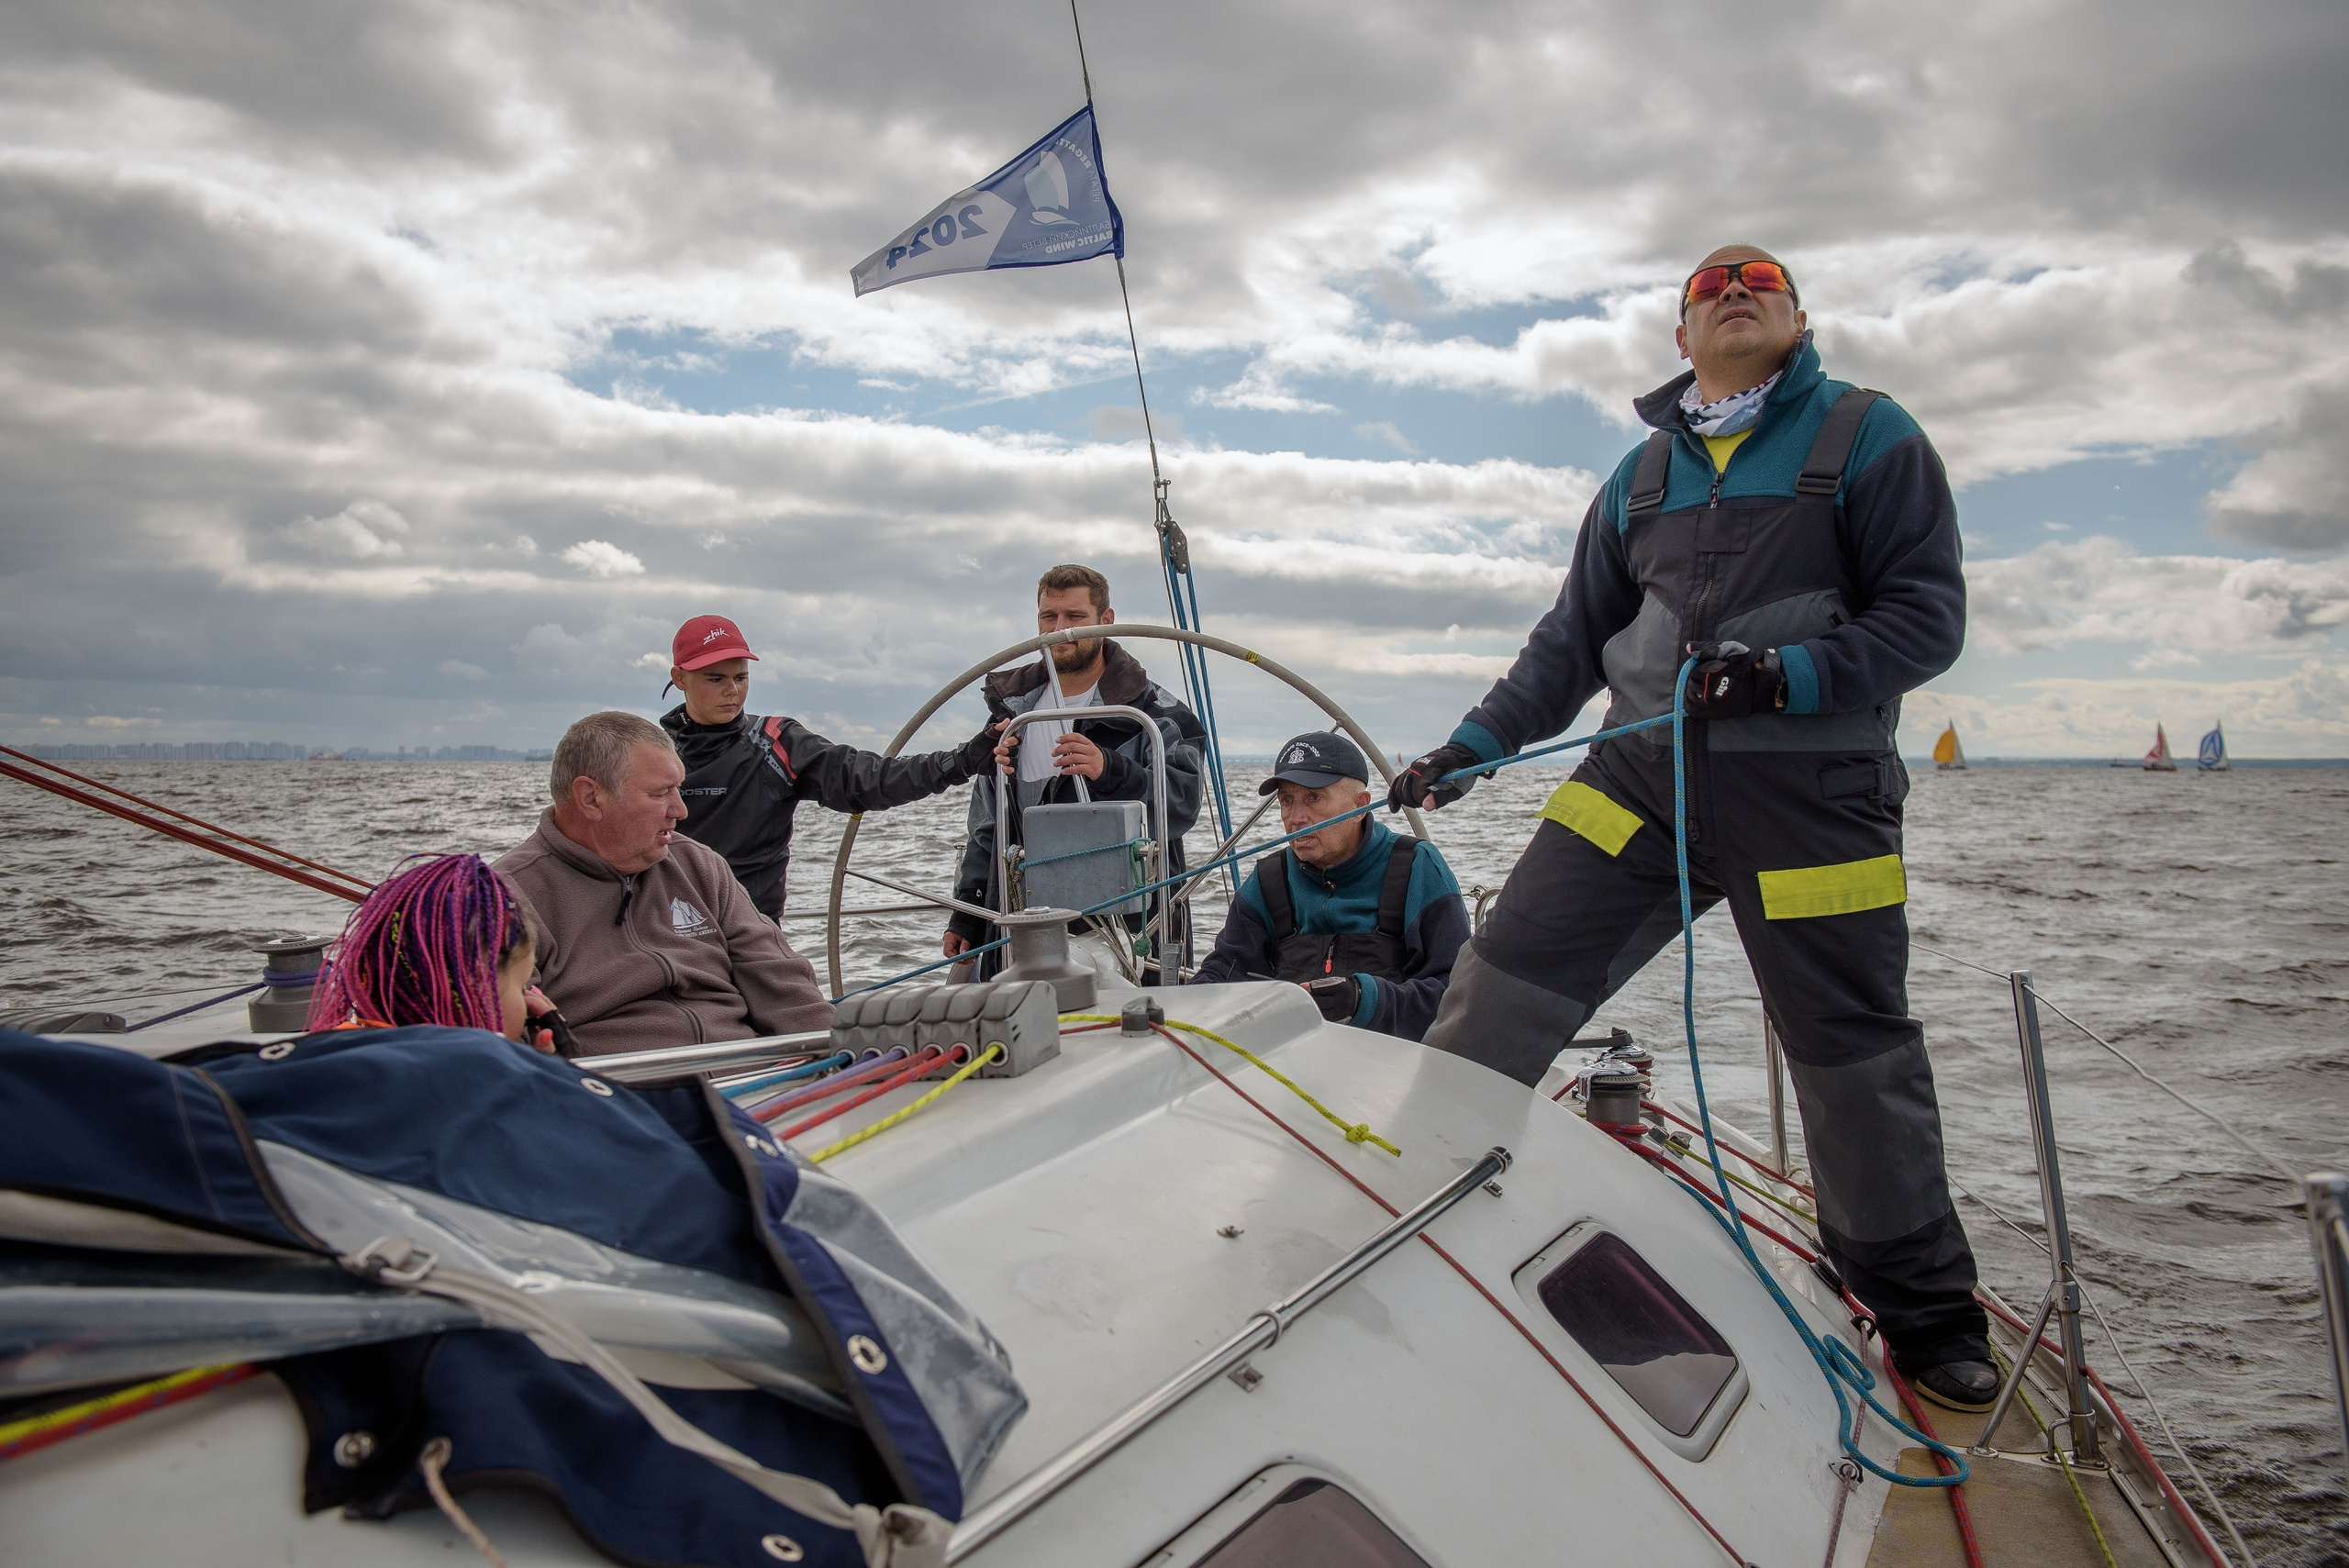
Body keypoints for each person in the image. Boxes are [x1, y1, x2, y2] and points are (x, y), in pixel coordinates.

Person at [1388, 245, 1994, 1411]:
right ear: (1681, 338)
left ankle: (1924, 1311)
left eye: (1758, 279)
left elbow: (1928, 617)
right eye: (1709, 286)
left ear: (1798, 316)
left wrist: (1788, 674)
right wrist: (1472, 745)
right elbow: (1568, 644)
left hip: (1812, 795)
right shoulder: (1639, 475)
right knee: (1496, 982)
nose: (1733, 289)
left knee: (1851, 1057)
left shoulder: (1869, 436)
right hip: (1632, 783)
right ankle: (1414, 1203)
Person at [494, 711, 833, 1055]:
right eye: (660, 794)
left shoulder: (699, 866)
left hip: (756, 1080)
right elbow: (508, 1044)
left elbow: (781, 982)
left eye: (679, 790)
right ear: (591, 798)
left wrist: (844, 1050)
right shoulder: (507, 899)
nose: (681, 810)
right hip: (620, 1094)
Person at [941, 564, 1206, 977]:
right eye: (1049, 617)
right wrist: (969, 913)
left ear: (1107, 621)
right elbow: (988, 826)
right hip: (1023, 927)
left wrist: (1112, 770)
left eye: (1075, 617)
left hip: (1135, 931)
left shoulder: (1160, 714)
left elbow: (1183, 806)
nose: (1060, 629)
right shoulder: (1011, 714)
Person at [661, 614, 999, 918]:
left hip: (751, 936)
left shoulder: (777, 744)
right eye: (715, 679)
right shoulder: (650, 754)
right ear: (679, 678)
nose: (732, 691)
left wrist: (961, 761)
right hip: (667, 930)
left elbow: (871, 778)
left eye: (741, 677)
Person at [1190, 731, 1467, 1040]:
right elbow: (1227, 970)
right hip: (1289, 1067)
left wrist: (1366, 1000)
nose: (1296, 818)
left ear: (1360, 806)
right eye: (1286, 800)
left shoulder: (1417, 867)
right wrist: (1185, 1007)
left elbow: (1459, 994)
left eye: (1314, 798)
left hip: (1393, 1069)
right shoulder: (1270, 879)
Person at [306, 852, 571, 1051]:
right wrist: (554, 1076)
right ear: (477, 988)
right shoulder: (478, 1087)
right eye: (522, 985)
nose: (528, 1003)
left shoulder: (336, 1052)